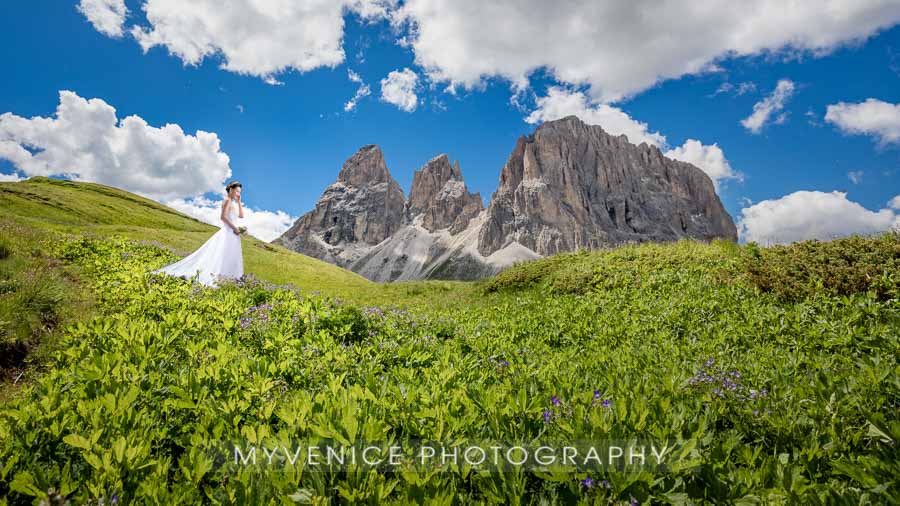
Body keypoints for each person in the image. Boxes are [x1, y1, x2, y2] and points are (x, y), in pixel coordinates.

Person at [153, 181, 246, 286]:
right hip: (229, 231)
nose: (238, 193)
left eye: (239, 192)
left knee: (232, 255)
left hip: (234, 234)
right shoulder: (227, 200)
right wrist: (235, 228)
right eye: (237, 191)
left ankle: (231, 279)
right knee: (224, 255)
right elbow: (223, 217)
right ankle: (220, 277)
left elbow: (241, 216)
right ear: (231, 189)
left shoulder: (234, 202)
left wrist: (239, 202)